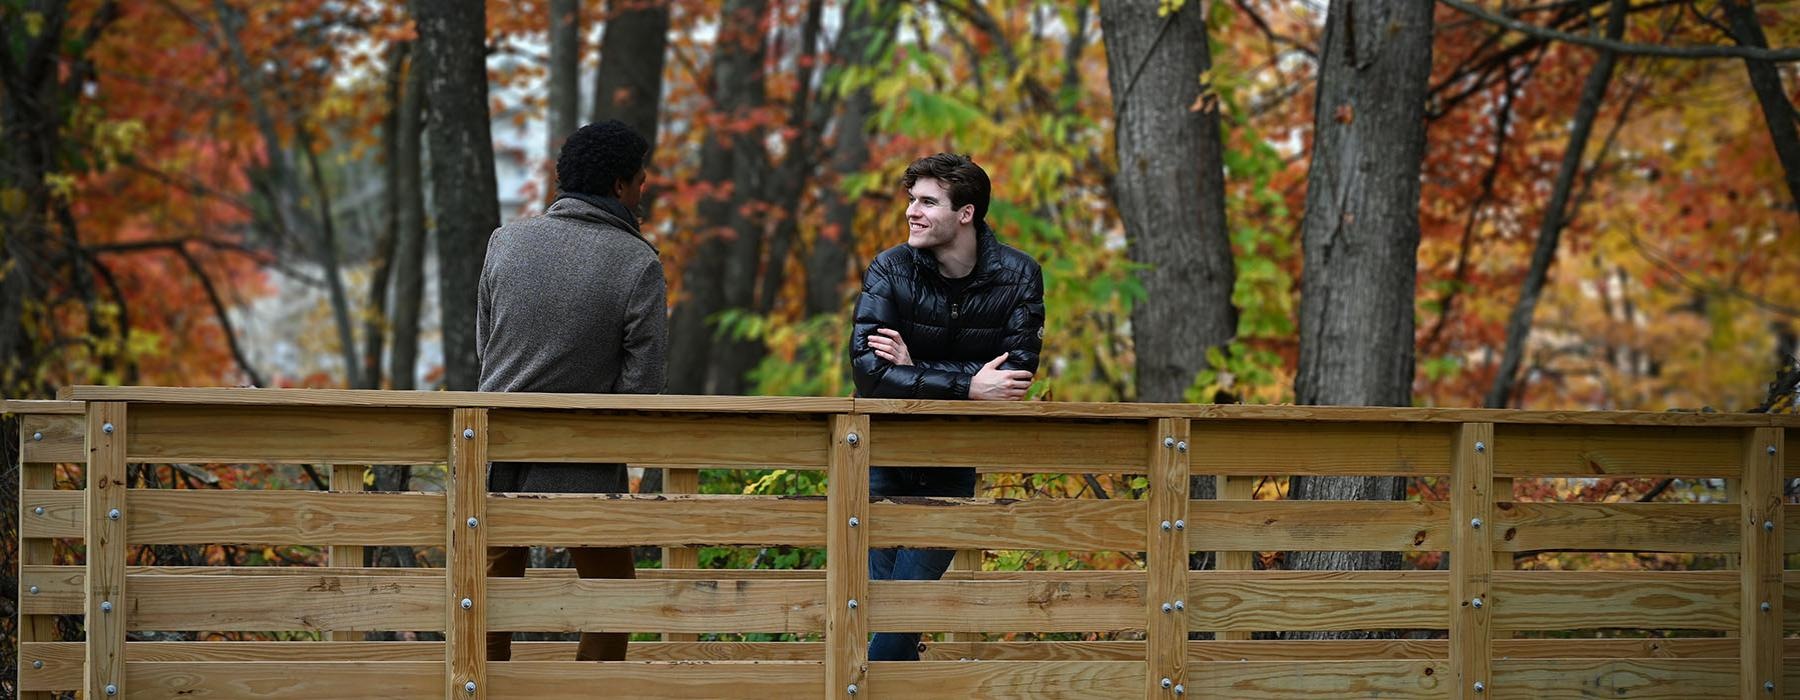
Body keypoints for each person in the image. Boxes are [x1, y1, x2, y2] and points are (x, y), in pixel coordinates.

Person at [477, 119, 666, 662]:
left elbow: (486, 348)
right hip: (586, 454)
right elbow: (643, 387)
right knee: (613, 599)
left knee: (488, 601)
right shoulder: (637, 263)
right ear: (620, 187)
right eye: (641, 179)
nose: (645, 187)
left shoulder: (505, 242)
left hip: (491, 451)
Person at [848, 152, 1045, 661]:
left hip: (953, 455)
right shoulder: (889, 268)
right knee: (890, 613)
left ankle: (859, 683)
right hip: (882, 453)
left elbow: (1015, 378)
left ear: (966, 214)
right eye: (911, 200)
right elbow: (869, 375)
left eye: (928, 202)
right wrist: (967, 387)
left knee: (898, 615)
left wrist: (914, 370)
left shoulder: (1020, 275)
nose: (912, 211)